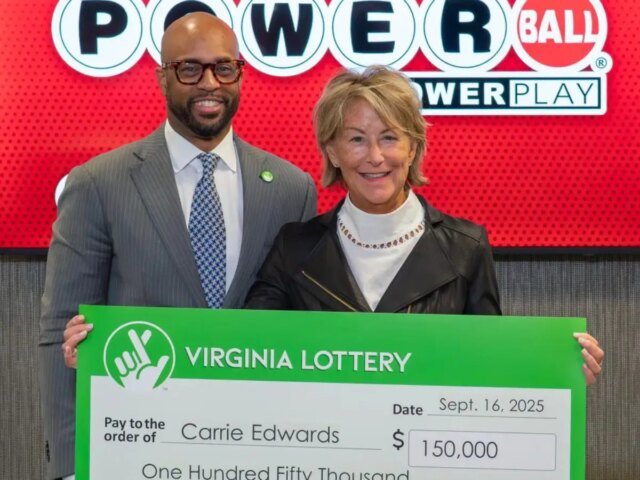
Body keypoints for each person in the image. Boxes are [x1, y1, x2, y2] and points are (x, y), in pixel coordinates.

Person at [40, 12, 316, 480]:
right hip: (135, 448)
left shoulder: (292, 189)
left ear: (240, 74)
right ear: (162, 77)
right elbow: (60, 330)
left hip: (256, 446)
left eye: (223, 68)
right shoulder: (99, 183)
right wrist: (71, 466)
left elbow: (304, 331)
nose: (209, 83)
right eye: (189, 68)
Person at [244, 66, 603, 381]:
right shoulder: (294, 249)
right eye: (357, 139)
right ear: (332, 151)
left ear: (413, 147)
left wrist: (557, 374)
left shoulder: (466, 249)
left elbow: (488, 364)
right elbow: (247, 353)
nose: (375, 156)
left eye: (389, 137)